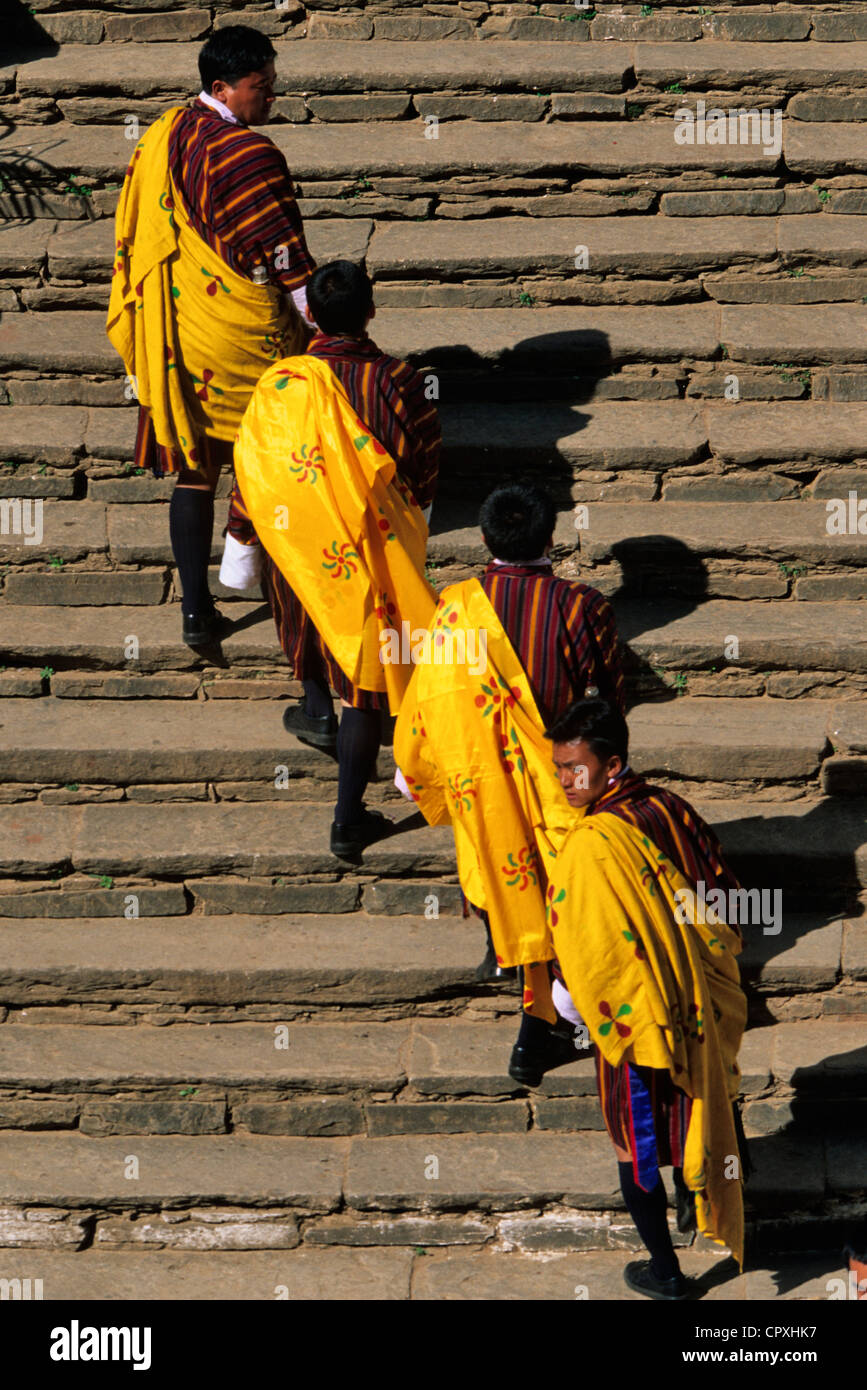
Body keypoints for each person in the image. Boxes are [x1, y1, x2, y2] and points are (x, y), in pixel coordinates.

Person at [393, 484, 625, 1088]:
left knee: (515, 882)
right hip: (564, 783)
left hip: (486, 782)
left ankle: (524, 986)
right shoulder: (581, 608)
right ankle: (546, 1030)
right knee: (569, 894)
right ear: (550, 538)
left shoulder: (455, 608)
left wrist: (419, 763)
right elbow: (608, 709)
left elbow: (430, 700)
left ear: (485, 540)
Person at [224, 260, 441, 860]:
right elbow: (423, 469)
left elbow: (255, 467)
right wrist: (407, 517)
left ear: (309, 314)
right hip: (375, 547)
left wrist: (242, 530)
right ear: (371, 311)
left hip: (298, 542)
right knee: (366, 684)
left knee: (315, 630)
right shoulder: (401, 380)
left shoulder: (282, 383)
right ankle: (347, 817)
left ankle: (318, 712)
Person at [107, 25, 315, 648]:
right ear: (223, 86)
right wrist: (318, 318)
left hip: (184, 330)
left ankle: (196, 611)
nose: (270, 98)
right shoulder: (252, 155)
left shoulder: (165, 132)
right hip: (242, 334)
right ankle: (272, 596)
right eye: (261, 87)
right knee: (272, 459)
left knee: (196, 470)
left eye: (273, 86)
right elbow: (282, 253)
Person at [545, 697, 749, 1299]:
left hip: (638, 1018)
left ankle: (666, 1274)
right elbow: (727, 895)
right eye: (558, 768)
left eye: (575, 769)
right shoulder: (671, 807)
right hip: (704, 1005)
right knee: (705, 1106)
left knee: (633, 1143)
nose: (564, 781)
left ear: (611, 764)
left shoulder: (589, 846)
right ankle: (698, 1194)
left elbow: (586, 948)